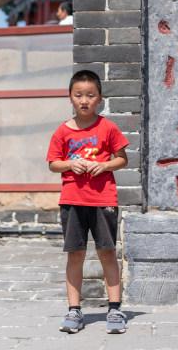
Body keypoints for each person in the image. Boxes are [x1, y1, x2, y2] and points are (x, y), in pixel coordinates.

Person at [46, 69, 128, 335]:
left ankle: (114, 309)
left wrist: (102, 166)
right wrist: (71, 163)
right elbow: (53, 165)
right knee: (75, 255)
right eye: (78, 95)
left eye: (90, 95)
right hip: (72, 200)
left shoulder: (108, 127)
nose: (84, 100)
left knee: (107, 253)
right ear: (70, 98)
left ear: (100, 98)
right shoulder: (63, 131)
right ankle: (74, 311)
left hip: (103, 199)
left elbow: (122, 159)